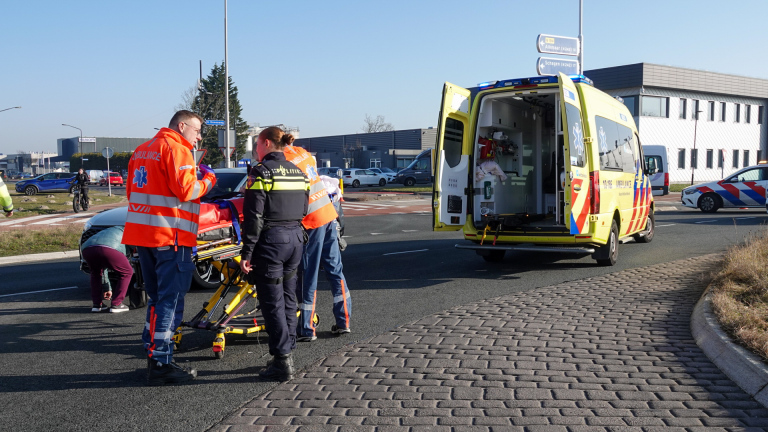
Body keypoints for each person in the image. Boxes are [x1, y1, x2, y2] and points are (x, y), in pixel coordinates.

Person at [122, 110, 217, 386]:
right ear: (182, 125)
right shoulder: (177, 148)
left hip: (143, 235)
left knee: (156, 297)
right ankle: (162, 361)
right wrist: (209, 180)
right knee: (170, 299)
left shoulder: (142, 150)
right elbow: (187, 191)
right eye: (197, 131)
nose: (198, 138)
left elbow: (131, 192)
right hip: (171, 236)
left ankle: (152, 351)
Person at [239, 127, 309, 382]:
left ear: (266, 143)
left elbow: (253, 215)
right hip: (295, 239)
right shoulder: (299, 172)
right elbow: (304, 207)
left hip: (271, 243)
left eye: (257, 145)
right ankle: (288, 351)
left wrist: (247, 251)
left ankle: (281, 361)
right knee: (289, 298)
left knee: (272, 302)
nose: (256, 150)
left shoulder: (261, 172)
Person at [283, 145, 351, 342]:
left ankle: (306, 328)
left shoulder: (283, 161)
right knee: (335, 271)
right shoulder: (301, 152)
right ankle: (344, 322)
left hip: (311, 220)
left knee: (307, 275)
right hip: (328, 214)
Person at [80, 226, 132, 313]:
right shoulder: (130, 232)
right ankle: (117, 304)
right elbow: (134, 250)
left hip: (87, 249)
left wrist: (106, 288)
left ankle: (97, 305)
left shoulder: (110, 230)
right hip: (108, 248)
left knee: (96, 273)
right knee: (127, 272)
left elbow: (103, 267)